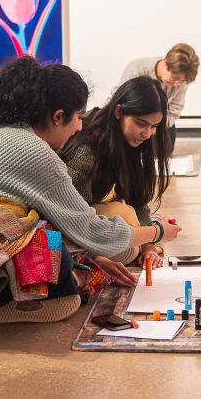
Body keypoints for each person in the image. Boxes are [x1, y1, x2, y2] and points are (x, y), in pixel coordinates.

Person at [0, 56, 182, 326]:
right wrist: (155, 233)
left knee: (47, 231)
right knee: (55, 251)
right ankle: (21, 299)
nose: (79, 126)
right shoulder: (39, 154)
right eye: (78, 116)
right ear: (57, 116)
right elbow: (93, 232)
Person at [60, 76, 171, 267]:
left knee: (128, 220)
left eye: (154, 126)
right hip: (66, 226)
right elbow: (64, 212)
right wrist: (92, 258)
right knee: (128, 244)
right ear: (119, 111)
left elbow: (138, 201)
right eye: (141, 123)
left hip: (88, 219)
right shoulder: (87, 149)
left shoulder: (128, 139)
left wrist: (149, 247)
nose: (148, 134)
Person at [117, 43, 200, 158]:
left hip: (160, 123)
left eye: (182, 81)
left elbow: (174, 110)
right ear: (165, 63)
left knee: (163, 152)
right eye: (175, 78)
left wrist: (155, 125)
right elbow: (117, 97)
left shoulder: (181, 81)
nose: (177, 84)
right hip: (135, 119)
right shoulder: (137, 69)